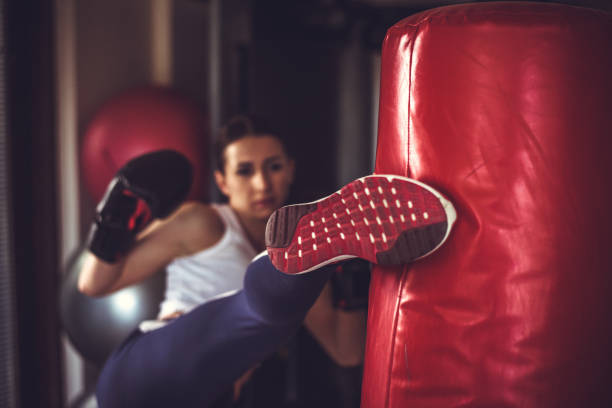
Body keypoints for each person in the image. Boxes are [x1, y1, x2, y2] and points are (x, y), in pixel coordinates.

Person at [78, 115, 456, 407]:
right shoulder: (203, 222)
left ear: (290, 168)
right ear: (222, 182)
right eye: (244, 171)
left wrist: (353, 279)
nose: (262, 184)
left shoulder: (314, 256)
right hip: (144, 375)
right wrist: (118, 211)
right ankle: (275, 268)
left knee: (283, 301)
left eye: (273, 166)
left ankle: (281, 269)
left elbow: (346, 350)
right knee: (260, 311)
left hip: (215, 396)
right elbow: (93, 284)